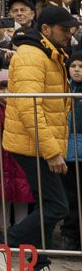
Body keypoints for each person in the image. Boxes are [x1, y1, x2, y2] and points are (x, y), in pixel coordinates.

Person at [0, 4, 80, 271]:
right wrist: (52, 151)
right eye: (64, 29)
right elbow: (31, 107)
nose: (69, 34)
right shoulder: (32, 55)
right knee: (57, 205)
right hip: (33, 144)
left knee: (47, 204)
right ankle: (1, 245)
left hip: (39, 142)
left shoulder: (49, 52)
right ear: (45, 30)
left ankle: (38, 268)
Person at [0, 69, 34, 241]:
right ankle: (4, 233)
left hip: (20, 157)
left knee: (22, 195)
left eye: (9, 87)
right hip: (1, 159)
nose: (6, 92)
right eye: (1, 88)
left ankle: (20, 233)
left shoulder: (23, 106)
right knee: (2, 196)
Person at [61, 52, 82, 251]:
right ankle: (69, 234)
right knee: (70, 196)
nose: (76, 69)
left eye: (80, 66)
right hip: (67, 150)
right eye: (73, 65)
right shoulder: (63, 87)